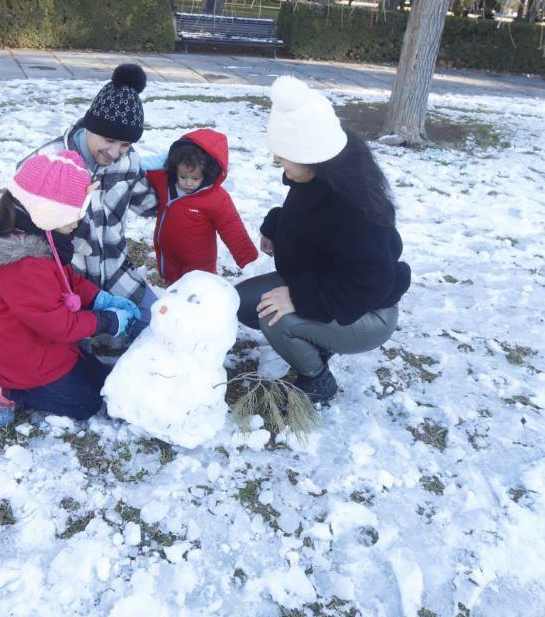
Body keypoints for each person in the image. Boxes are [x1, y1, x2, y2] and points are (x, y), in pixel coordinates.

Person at [236, 76, 412, 403]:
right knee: (239, 303)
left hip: (368, 311)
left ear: (312, 158)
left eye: (284, 159)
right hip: (325, 281)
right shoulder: (320, 175)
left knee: (273, 316)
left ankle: (316, 380)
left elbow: (369, 282)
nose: (281, 167)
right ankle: (316, 338)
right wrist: (276, 225)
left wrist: (299, 299)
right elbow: (310, 218)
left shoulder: (354, 210)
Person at [0, 150, 141, 425]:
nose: (76, 223)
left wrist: (99, 299)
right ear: (46, 212)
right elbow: (57, 325)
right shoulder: (23, 266)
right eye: (71, 215)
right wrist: (105, 321)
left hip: (50, 350)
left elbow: (67, 280)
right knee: (87, 404)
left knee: (105, 382)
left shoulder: (42, 240)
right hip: (25, 362)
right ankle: (6, 391)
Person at [25, 63, 160, 327]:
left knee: (158, 324)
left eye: (125, 144)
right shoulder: (49, 161)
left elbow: (149, 203)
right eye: (108, 140)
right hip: (67, 278)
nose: (114, 152)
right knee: (73, 350)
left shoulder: (128, 162)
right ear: (90, 126)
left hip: (115, 268)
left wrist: (182, 181)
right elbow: (14, 221)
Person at [145, 128, 258, 284]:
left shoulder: (215, 197)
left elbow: (230, 224)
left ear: (208, 173)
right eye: (183, 176)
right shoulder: (165, 182)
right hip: (169, 256)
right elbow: (142, 172)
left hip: (199, 263)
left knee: (197, 291)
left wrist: (245, 255)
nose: (188, 183)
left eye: (195, 178)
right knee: (173, 288)